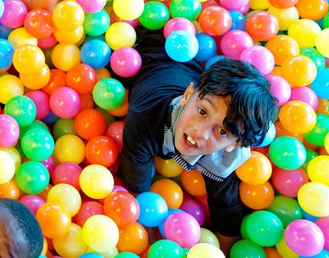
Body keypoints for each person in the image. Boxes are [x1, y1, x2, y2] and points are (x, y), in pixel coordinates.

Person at [117, 31, 278, 252]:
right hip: (148, 55)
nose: (201, 132)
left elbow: (226, 208)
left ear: (236, 144)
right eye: (202, 111)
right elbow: (136, 185)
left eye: (222, 132)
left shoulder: (227, 155)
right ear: (187, 95)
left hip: (187, 70)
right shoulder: (146, 114)